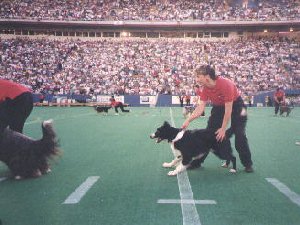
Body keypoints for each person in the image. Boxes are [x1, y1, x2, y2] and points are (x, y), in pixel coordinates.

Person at [182, 65, 253, 172]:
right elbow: (200, 109)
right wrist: (188, 120)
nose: (196, 79)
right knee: (208, 134)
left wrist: (223, 128)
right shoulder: (205, 89)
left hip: (236, 105)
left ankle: (247, 164)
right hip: (219, 107)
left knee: (240, 134)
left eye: (198, 76)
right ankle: (197, 162)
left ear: (207, 77)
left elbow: (228, 109)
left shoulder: (226, 84)